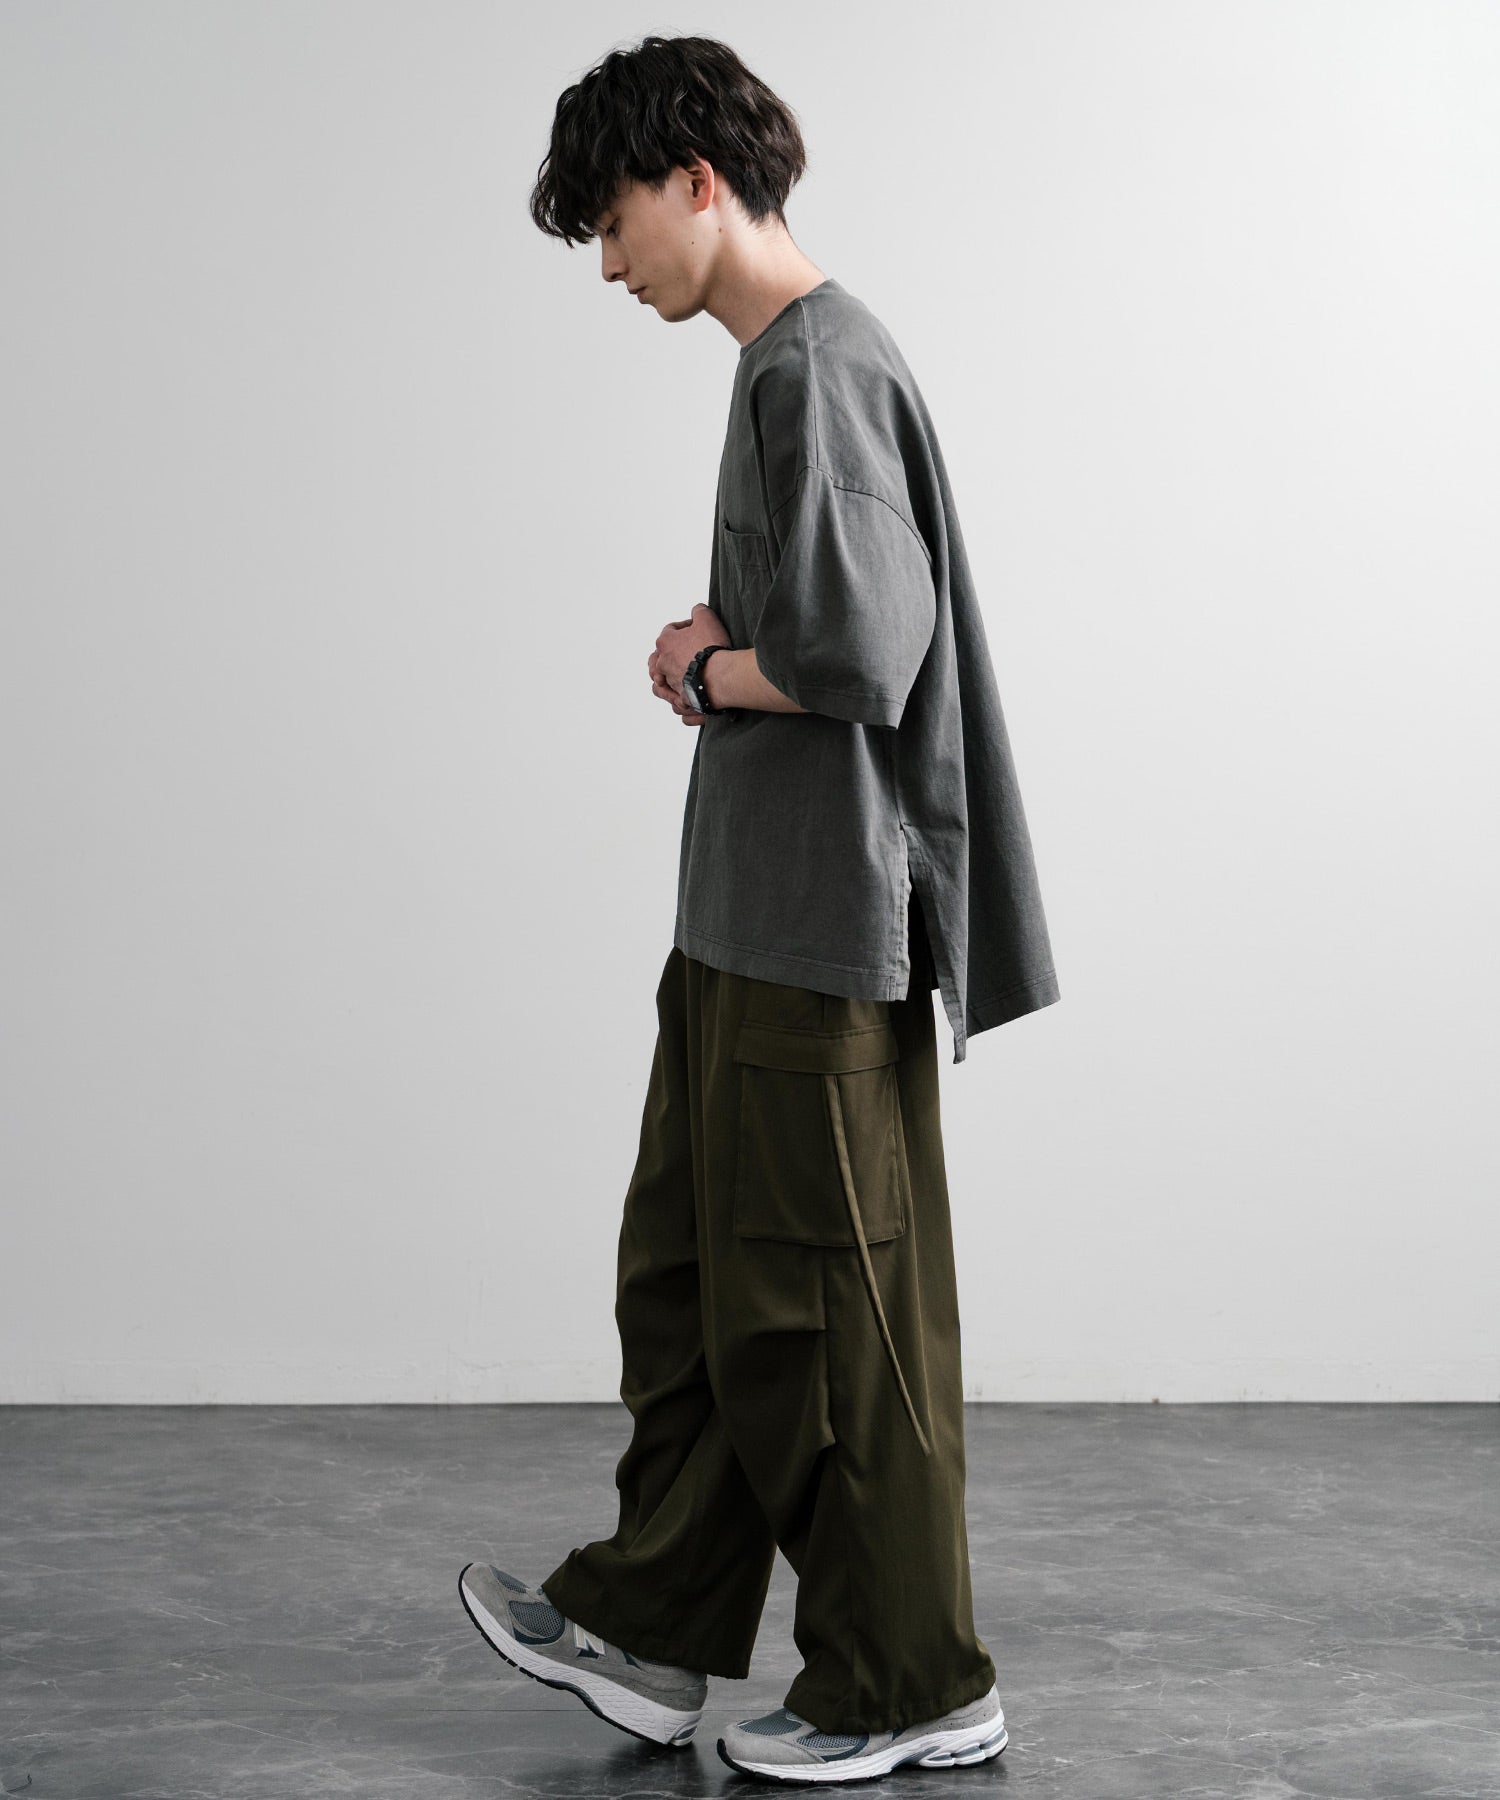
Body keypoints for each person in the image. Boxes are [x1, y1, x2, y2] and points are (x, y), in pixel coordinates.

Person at [458, 32, 1060, 1786]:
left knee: (828, 1322)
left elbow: (866, 652)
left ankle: (911, 1682)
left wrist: (707, 663)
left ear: (698, 181)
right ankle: (653, 1632)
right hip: (745, 926)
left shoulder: (819, 367)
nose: (608, 260)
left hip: (814, 937)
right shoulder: (783, 368)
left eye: (614, 218)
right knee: (700, 1287)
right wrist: (730, 656)